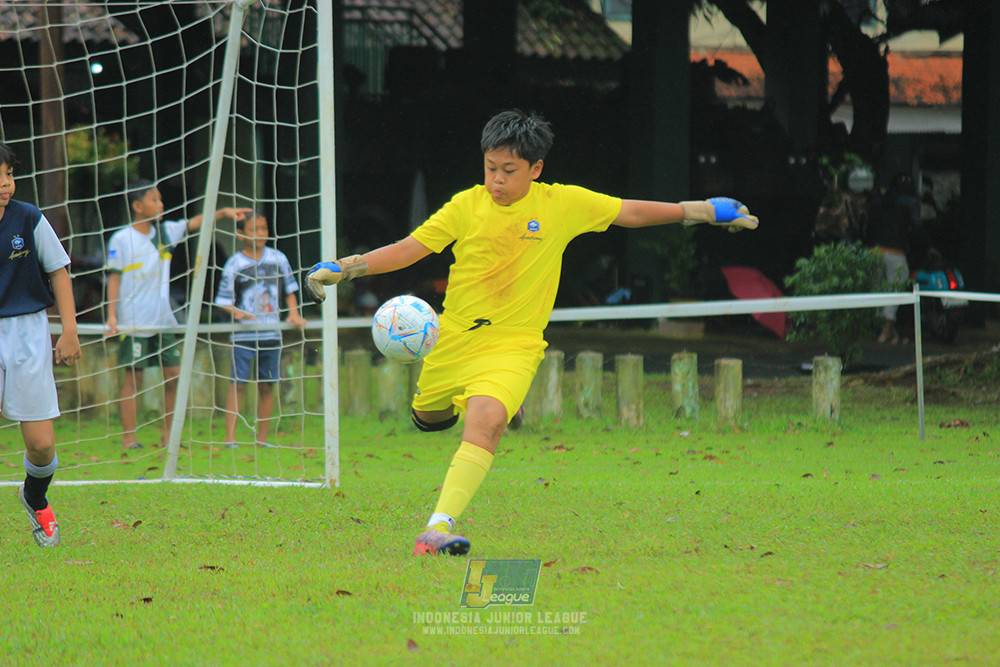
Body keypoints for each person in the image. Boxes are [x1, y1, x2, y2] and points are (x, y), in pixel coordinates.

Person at [306, 109, 758, 556]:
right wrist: (346, 268)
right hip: (454, 337)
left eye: (509, 171)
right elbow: (409, 250)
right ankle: (484, 402)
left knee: (486, 422)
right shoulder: (466, 206)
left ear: (536, 169)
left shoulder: (561, 204)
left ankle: (436, 528)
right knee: (428, 419)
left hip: (514, 343)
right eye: (489, 169)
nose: (496, 181)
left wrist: (700, 210)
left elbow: (631, 213)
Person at [105, 179, 249, 449]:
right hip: (133, 321)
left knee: (173, 373)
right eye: (154, 200)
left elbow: (195, 222)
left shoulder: (166, 232)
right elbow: (114, 279)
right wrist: (112, 316)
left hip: (163, 320)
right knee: (133, 378)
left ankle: (168, 437)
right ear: (138, 206)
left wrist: (223, 214)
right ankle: (129, 438)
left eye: (161, 199)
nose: (161, 205)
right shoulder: (121, 239)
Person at [0, 142, 81, 547]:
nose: (4, 184)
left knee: (42, 444)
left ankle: (34, 496)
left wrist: (69, 329)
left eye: (9, 175)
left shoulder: (29, 218)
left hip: (28, 331)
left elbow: (59, 270)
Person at [215, 211, 306, 448]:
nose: (261, 234)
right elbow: (223, 301)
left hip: (271, 334)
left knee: (267, 385)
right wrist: (236, 312)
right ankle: (230, 438)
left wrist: (293, 313)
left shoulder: (279, 258)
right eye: (254, 229)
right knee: (239, 383)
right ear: (241, 233)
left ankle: (262, 439)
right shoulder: (234, 263)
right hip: (243, 334)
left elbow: (289, 290)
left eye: (264, 228)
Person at [865, 174, 922, 344]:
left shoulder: (876, 202)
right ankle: (885, 332)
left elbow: (867, 229)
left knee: (877, 293)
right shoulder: (910, 203)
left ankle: (892, 333)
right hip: (896, 253)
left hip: (873, 253)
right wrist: (927, 246)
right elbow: (917, 229)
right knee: (894, 292)